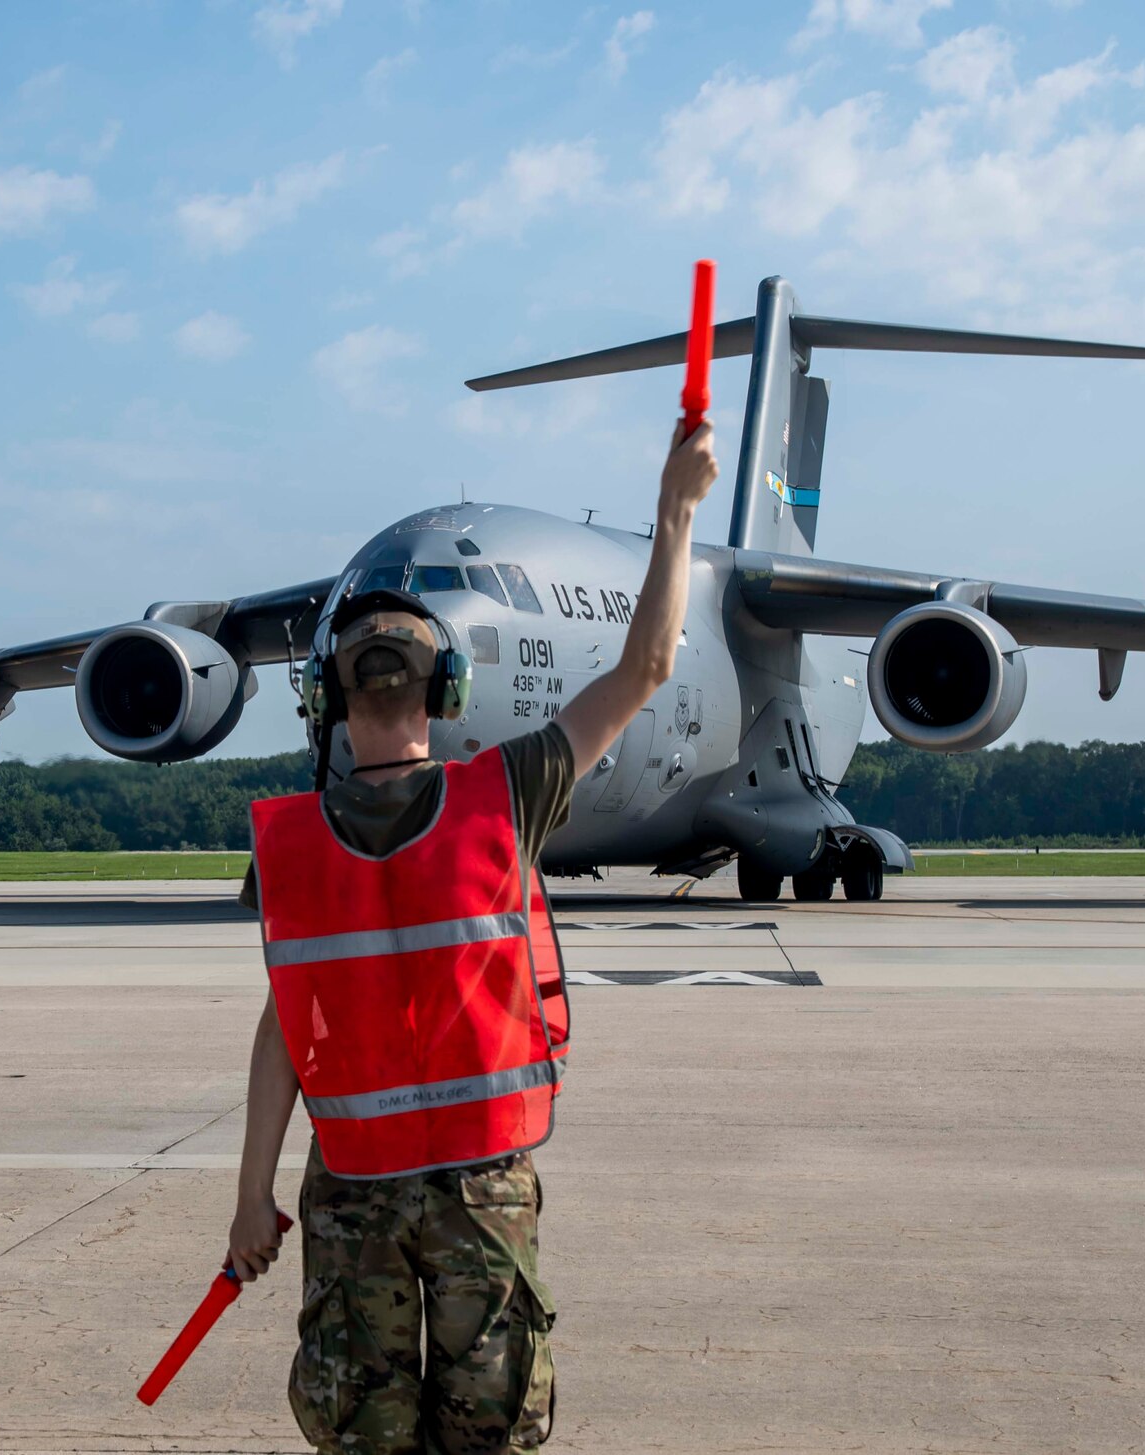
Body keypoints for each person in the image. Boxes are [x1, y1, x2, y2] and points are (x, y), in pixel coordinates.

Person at [228, 417, 718, 1454]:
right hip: (480, 1188)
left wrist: (249, 1199)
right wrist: (675, 512)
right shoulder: (505, 797)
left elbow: (280, 1031)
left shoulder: (293, 849)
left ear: (322, 699)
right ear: (446, 692)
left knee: (361, 1434)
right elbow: (646, 667)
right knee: (488, 1431)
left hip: (348, 1189)